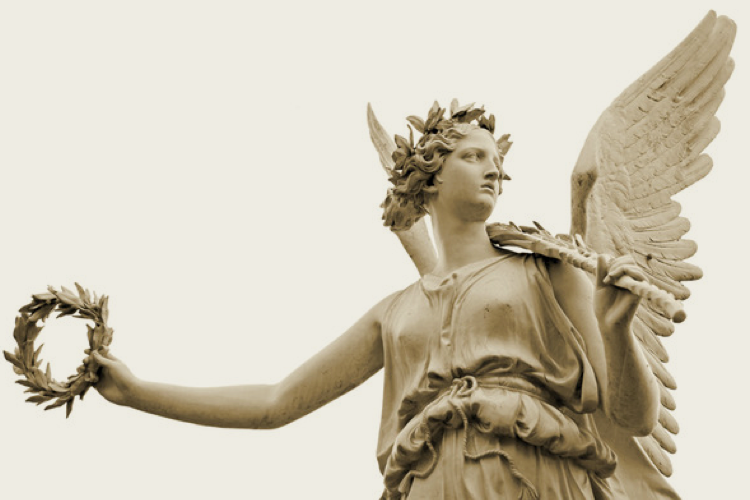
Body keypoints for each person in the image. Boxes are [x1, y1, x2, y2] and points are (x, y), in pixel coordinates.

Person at [94, 102, 659, 500]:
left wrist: (617, 332)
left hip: (533, 478)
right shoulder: (395, 313)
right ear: (428, 177)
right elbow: (275, 403)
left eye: (497, 161)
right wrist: (137, 392)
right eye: (473, 155)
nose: (494, 169)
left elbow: (634, 418)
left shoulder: (548, 271)